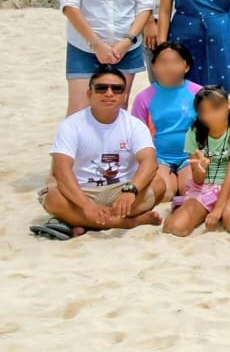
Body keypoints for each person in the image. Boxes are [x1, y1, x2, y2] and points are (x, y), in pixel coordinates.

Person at [35, 65, 167, 237]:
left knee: (158, 184)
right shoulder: (71, 125)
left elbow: (149, 162)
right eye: (101, 88)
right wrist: (86, 205)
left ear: (124, 96)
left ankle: (82, 222)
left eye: (117, 89)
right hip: (83, 190)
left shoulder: (134, 125)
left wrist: (131, 190)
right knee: (53, 198)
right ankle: (130, 222)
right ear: (89, 94)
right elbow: (61, 169)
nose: (109, 93)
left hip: (121, 189)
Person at [165, 87, 230, 236]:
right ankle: (194, 209)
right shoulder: (194, 133)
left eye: (216, 108)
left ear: (228, 104)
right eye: (204, 111)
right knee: (176, 227)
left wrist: (218, 208)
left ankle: (221, 208)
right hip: (203, 186)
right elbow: (197, 180)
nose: (210, 116)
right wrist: (200, 169)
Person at [131, 40, 202, 195]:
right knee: (165, 193)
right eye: (164, 62)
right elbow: (136, 134)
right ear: (153, 66)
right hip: (159, 157)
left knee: (189, 191)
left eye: (176, 62)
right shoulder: (144, 98)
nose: (170, 67)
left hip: (191, 156)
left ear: (186, 66)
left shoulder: (198, 93)